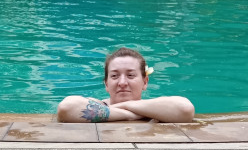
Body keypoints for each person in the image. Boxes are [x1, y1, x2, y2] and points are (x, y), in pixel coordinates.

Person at [57, 48, 195, 123]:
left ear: (145, 82)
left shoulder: (155, 106)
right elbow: (66, 108)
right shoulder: (100, 104)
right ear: (106, 84)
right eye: (114, 76)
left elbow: (185, 109)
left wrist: (120, 107)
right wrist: (132, 115)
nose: (122, 83)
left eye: (130, 75)